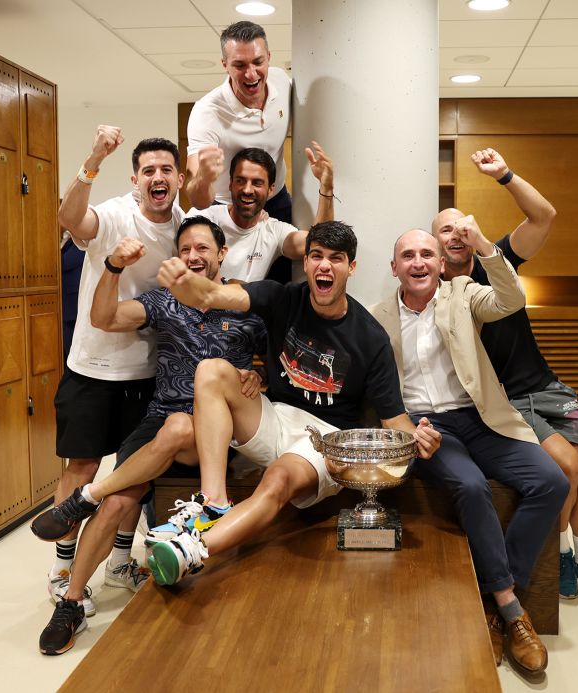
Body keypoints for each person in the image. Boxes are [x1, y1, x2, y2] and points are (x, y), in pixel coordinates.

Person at [145, 221, 442, 585]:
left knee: (279, 477)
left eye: (336, 259)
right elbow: (210, 296)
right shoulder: (282, 296)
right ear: (306, 262)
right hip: (275, 416)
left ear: (351, 267)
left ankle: (194, 551)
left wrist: (419, 439)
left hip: (326, 438)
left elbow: (394, 419)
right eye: (316, 256)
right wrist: (184, 283)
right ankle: (213, 500)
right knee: (211, 370)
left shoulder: (371, 337)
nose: (324, 266)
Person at [32, 218, 267, 655]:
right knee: (120, 500)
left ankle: (85, 497)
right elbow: (103, 318)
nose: (194, 257)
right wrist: (113, 267)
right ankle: (72, 600)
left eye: (203, 248)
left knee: (180, 426)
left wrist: (256, 377)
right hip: (159, 418)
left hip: (213, 436)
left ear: (222, 254)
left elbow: (275, 367)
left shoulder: (246, 304)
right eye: (185, 250)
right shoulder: (165, 300)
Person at [370, 223, 568, 675]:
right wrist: (404, 430)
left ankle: (500, 596)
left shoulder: (462, 293)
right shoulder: (378, 315)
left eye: (427, 254)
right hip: (426, 428)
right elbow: (373, 384)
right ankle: (512, 613)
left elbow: (511, 299)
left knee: (551, 481)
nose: (418, 262)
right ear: (395, 267)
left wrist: (483, 247)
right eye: (408, 256)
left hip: (480, 419)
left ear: (441, 263)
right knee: (471, 486)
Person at [434, 147, 578, 602]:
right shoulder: (434, 290)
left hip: (547, 387)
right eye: (446, 228)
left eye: (462, 225)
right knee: (568, 466)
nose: (456, 233)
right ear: (435, 241)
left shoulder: (494, 261)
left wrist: (504, 175)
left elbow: (544, 216)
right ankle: (554, 557)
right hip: (507, 401)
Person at [49, 126, 184, 616]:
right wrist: (93, 157)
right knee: (82, 468)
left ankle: (120, 562)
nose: (158, 177)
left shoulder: (183, 226)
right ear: (135, 179)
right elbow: (70, 218)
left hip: (148, 372)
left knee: (134, 476)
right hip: (93, 365)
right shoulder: (114, 214)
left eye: (166, 169)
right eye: (148, 170)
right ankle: (64, 566)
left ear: (178, 178)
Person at [186, 21, 292, 222]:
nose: (251, 74)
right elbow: (197, 200)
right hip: (228, 207)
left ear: (269, 57)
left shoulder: (281, 81)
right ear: (225, 65)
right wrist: (205, 177)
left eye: (258, 62)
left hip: (277, 198)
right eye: (240, 65)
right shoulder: (207, 113)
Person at [190, 146, 334, 282]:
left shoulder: (274, 230)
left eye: (257, 183)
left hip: (246, 306)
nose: (247, 190)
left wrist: (326, 188)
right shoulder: (205, 219)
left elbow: (318, 243)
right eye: (240, 181)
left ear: (271, 190)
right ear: (230, 184)